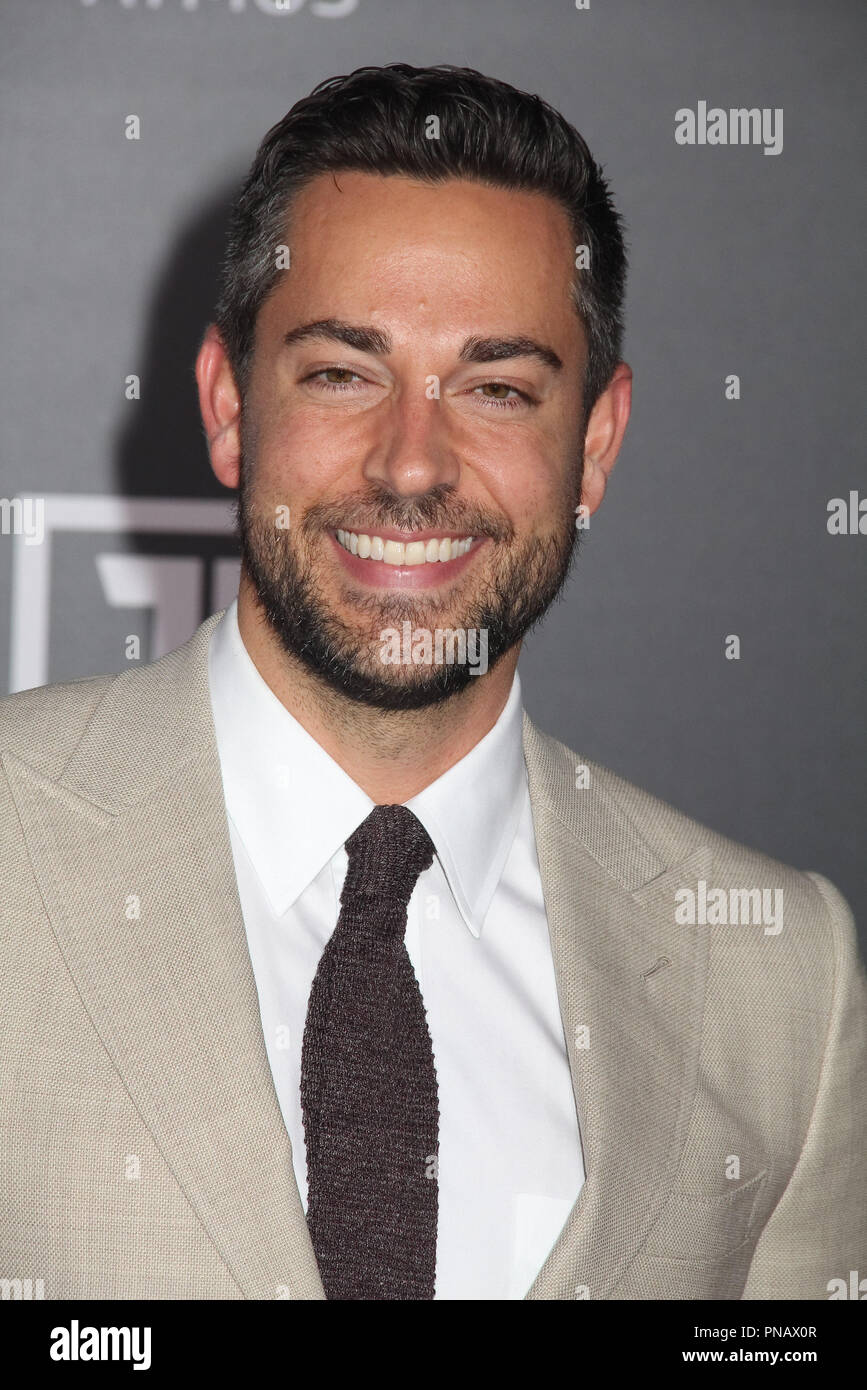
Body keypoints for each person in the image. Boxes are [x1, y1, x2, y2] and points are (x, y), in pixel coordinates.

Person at [1, 63, 864, 1302]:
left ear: (597, 445)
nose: (413, 466)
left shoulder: (785, 979)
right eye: (345, 372)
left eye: (499, 389)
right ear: (230, 406)